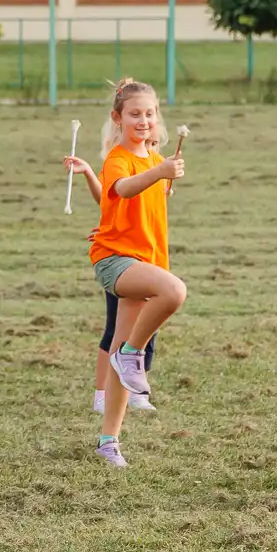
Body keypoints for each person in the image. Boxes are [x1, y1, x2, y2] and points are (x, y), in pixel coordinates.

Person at [85, 79, 187, 467]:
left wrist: (162, 176)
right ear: (117, 118)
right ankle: (133, 354)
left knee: (115, 359)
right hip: (117, 261)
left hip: (147, 260)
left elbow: (130, 210)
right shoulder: (119, 156)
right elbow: (123, 189)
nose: (143, 121)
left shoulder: (153, 159)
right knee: (174, 293)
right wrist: (159, 172)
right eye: (134, 114)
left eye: (149, 114)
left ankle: (108, 440)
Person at [61, 159, 157, 418]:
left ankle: (136, 392)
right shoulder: (122, 164)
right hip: (122, 258)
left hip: (150, 256)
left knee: (147, 328)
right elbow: (108, 201)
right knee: (116, 328)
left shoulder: (154, 170)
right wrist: (109, 234)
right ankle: (102, 394)